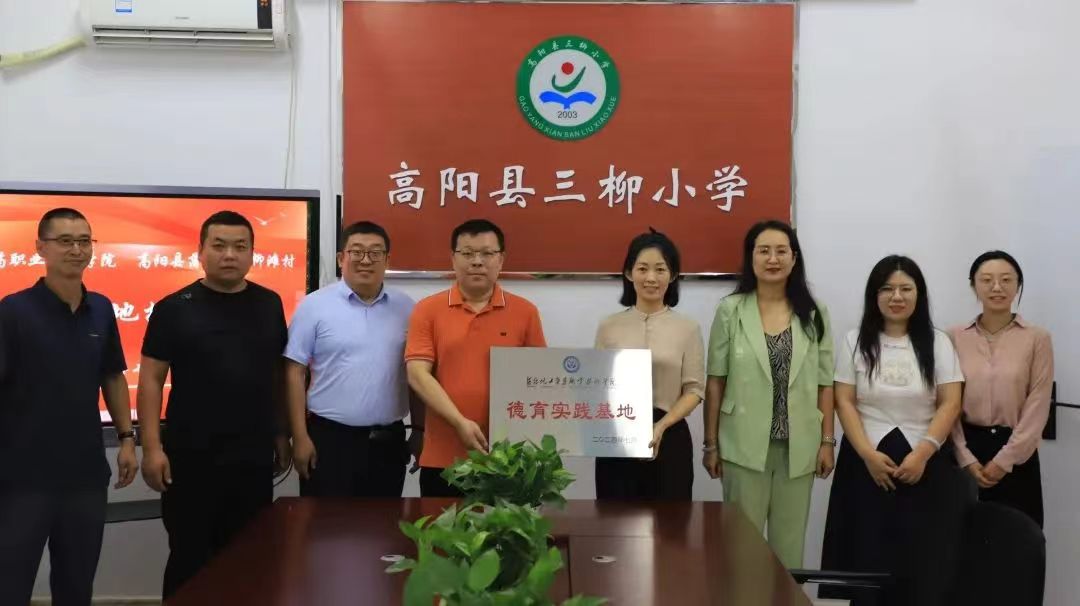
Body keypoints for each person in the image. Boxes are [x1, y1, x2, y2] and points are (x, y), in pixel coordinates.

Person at [137, 211, 291, 599]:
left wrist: (281, 433)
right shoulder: (174, 307)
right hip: (190, 457)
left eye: (240, 246)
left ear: (252, 253)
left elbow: (277, 374)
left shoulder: (269, 303)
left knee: (247, 557)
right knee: (189, 556)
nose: (229, 254)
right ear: (200, 251)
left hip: (252, 457)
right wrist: (152, 448)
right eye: (219, 245)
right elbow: (151, 380)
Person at [0, 208, 138, 606]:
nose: (77, 250)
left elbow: (112, 375)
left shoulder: (102, 308)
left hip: (84, 476)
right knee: (10, 585)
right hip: (22, 478)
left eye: (84, 241)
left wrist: (127, 439)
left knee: (77, 586)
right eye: (65, 241)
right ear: (40, 248)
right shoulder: (13, 311)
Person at [821, 255, 968, 606]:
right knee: (863, 553)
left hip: (925, 463)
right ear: (875, 295)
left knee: (922, 562)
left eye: (906, 289)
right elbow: (844, 401)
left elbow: (950, 403)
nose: (896, 296)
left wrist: (924, 452)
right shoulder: (855, 340)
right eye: (887, 289)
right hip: (865, 463)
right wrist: (867, 454)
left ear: (919, 295)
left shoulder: (938, 342)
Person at [702, 220, 835, 568]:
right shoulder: (731, 310)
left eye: (781, 251)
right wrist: (711, 444)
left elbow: (825, 384)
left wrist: (827, 441)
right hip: (741, 445)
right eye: (764, 251)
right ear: (751, 258)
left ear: (794, 258)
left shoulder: (814, 313)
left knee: (788, 552)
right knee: (741, 551)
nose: (773, 259)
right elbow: (715, 380)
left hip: (799, 447)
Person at [405, 219, 546, 497]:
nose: (477, 262)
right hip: (443, 458)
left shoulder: (525, 312)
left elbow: (537, 379)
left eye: (487, 253)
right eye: (468, 253)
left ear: (501, 259)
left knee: (505, 527)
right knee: (442, 526)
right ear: (453, 258)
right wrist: (459, 422)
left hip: (507, 459)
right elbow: (417, 374)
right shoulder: (427, 310)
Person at [285, 221, 422, 497]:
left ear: (387, 260)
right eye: (356, 251)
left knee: (383, 521)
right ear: (341, 258)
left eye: (375, 253)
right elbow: (293, 372)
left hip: (388, 441)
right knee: (324, 521)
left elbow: (417, 375)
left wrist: (419, 430)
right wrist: (299, 436)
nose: (365, 260)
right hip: (329, 440)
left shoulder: (408, 309)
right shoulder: (314, 306)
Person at [593, 230, 704, 499]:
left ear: (673, 275)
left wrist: (661, 426)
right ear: (629, 273)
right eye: (642, 269)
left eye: (660, 269)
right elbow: (596, 383)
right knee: (615, 519)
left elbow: (694, 389)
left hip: (670, 434)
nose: (651, 278)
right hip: (617, 438)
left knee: (671, 521)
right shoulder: (609, 326)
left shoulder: (688, 328)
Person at [950, 250, 1053, 528]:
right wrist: (964, 457)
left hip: (1017, 452)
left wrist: (1005, 460)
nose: (997, 287)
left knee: (1020, 539)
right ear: (973, 286)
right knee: (964, 540)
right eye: (986, 280)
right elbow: (947, 402)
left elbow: (1038, 403)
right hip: (965, 448)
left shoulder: (1037, 338)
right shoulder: (953, 337)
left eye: (1006, 279)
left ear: (1018, 285)